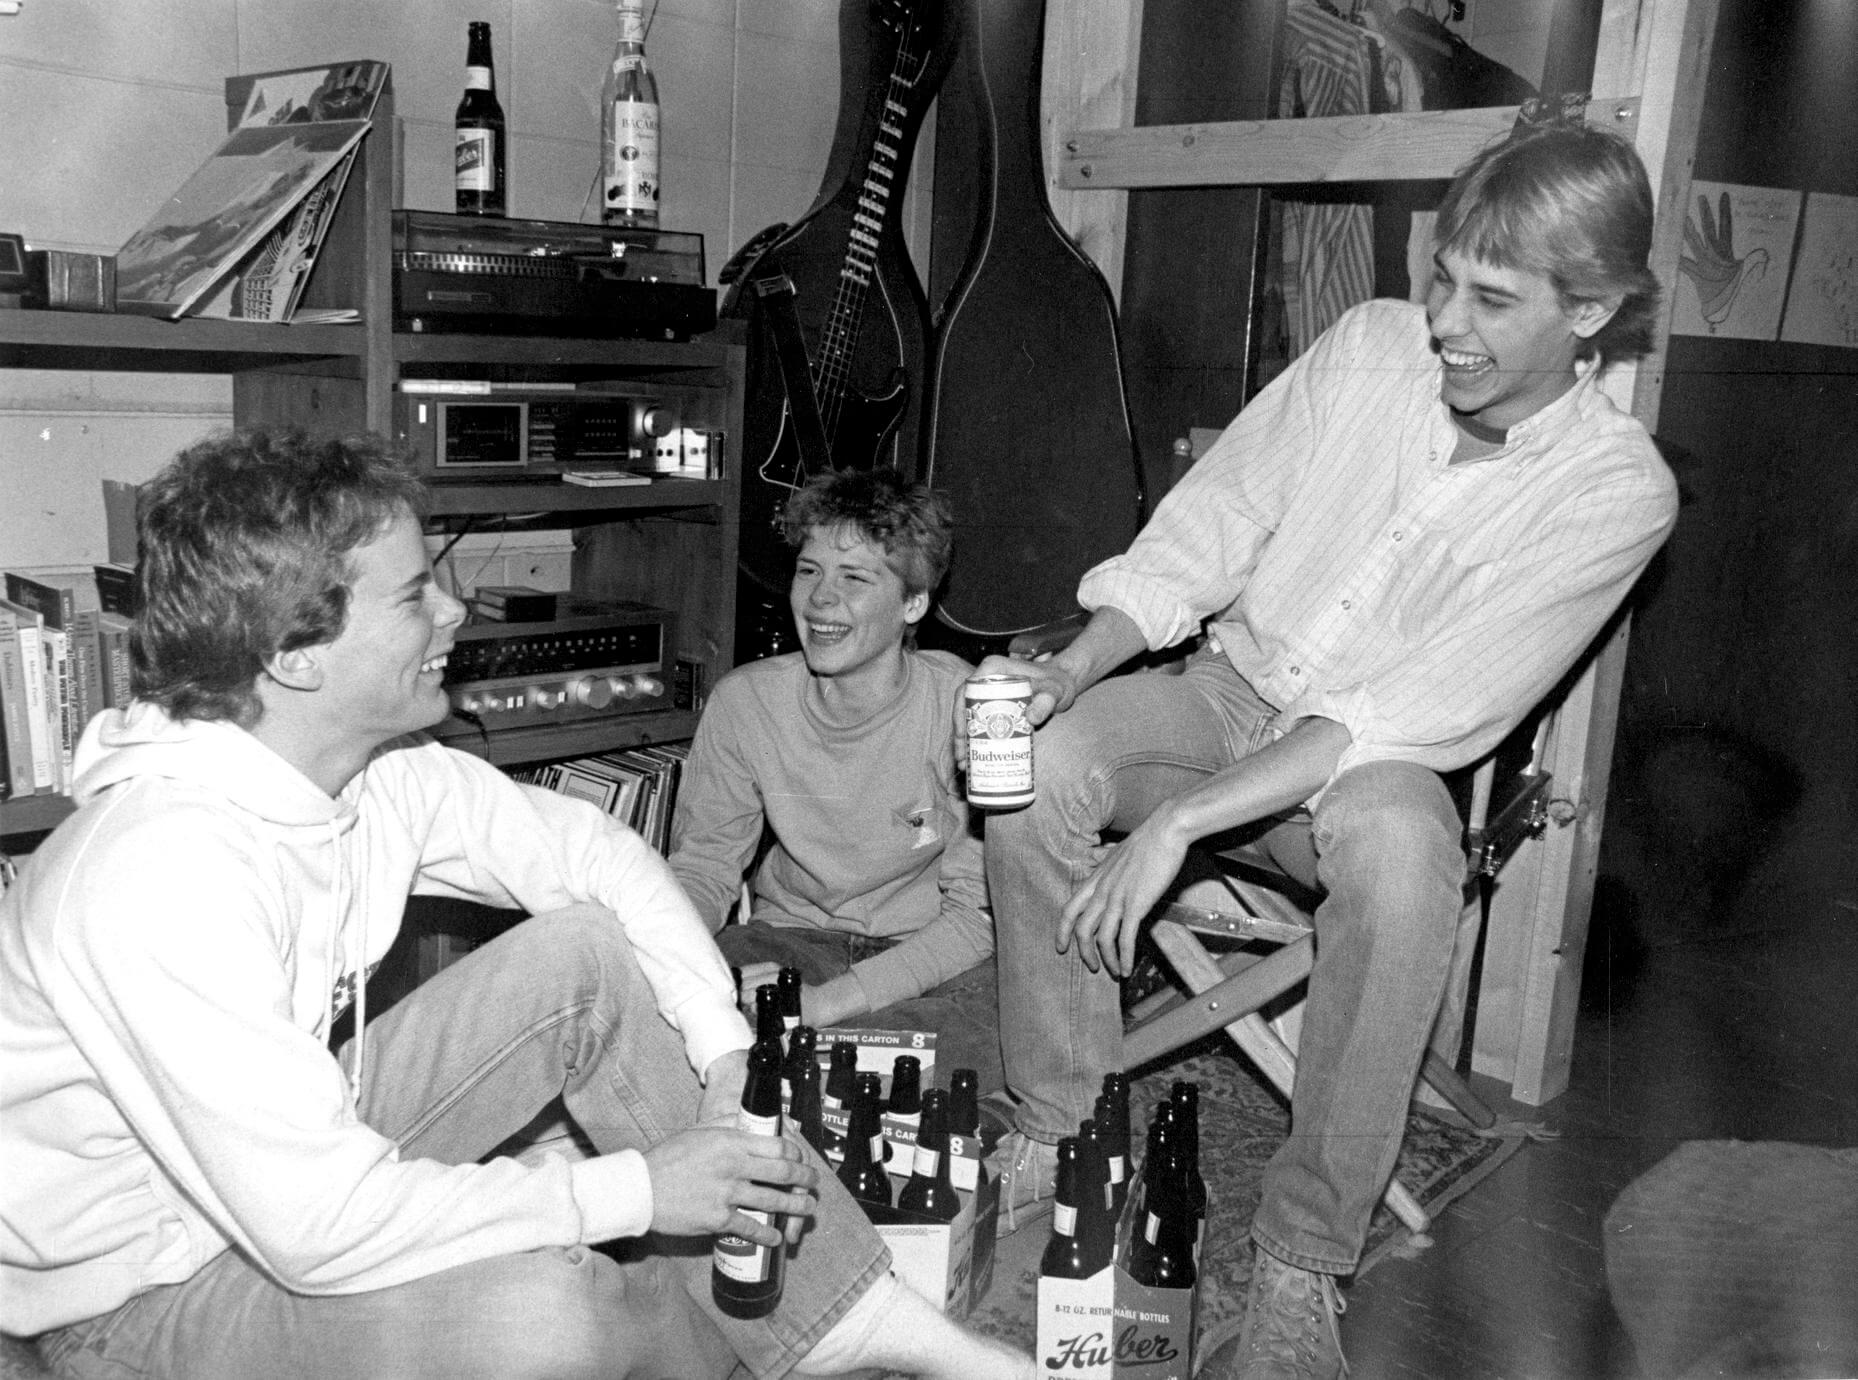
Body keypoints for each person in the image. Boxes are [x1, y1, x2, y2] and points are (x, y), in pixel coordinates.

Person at [0, 428, 1032, 1380]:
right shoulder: (158, 877)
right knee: (554, 1309)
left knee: (584, 949)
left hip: (259, 1182)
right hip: (137, 1290)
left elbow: (599, 855)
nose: (456, 611)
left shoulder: (368, 777)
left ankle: (847, 1321)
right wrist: (631, 1188)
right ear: (295, 656)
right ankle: (748, 1320)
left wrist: (721, 1055)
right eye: (413, 598)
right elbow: (317, 1227)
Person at [965, 123, 1678, 1380]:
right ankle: (1060, 1126)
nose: (1444, 319)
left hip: (1376, 755)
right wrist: (1069, 668)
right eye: (1442, 273)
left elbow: (1407, 716)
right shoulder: (1368, 353)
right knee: (1041, 766)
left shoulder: (1616, 490)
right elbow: (1213, 526)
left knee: (1404, 864)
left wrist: (1181, 826)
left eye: (1491, 298)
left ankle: (1303, 1261)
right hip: (1227, 688)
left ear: (1594, 310)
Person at [667, 468, 1001, 1092]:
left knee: (1004, 1030)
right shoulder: (746, 702)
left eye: (854, 578)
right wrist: (672, 963)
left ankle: (810, 1070)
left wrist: (827, 1006)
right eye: (809, 571)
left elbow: (975, 920)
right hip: (791, 943)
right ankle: (845, 1075)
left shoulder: (962, 706)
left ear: (913, 603)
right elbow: (706, 867)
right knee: (685, 1006)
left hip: (926, 955)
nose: (820, 599)